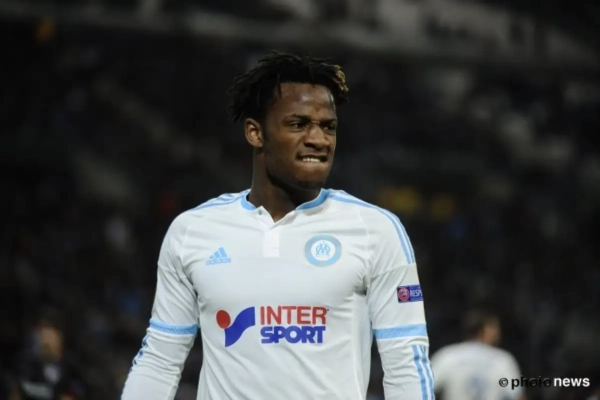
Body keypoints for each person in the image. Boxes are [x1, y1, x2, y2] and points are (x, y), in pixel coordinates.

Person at [121, 51, 434, 400]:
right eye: (299, 124)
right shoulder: (193, 231)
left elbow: (406, 361)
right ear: (255, 133)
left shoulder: (375, 230)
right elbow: (160, 360)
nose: (319, 139)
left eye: (328, 127)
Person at [431, 310, 526, 400]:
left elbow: (425, 388)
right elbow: (517, 396)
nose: (498, 334)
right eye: (494, 328)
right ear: (483, 329)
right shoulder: (502, 359)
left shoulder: (447, 355)